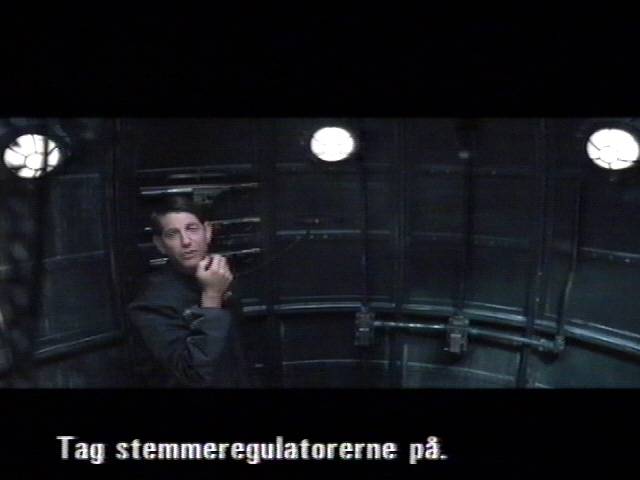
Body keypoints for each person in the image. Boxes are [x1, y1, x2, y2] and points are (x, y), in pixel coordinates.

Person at [127, 196, 249, 387]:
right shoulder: (150, 303)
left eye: (192, 229)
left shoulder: (218, 276)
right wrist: (211, 297)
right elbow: (193, 376)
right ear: (160, 244)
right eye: (172, 234)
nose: (186, 241)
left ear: (207, 232)